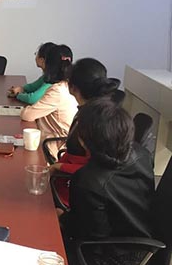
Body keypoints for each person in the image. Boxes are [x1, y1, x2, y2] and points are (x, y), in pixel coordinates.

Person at [61, 98, 154, 265]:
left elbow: (91, 236)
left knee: (55, 253)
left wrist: (62, 218)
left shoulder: (88, 180)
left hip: (120, 261)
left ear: (84, 140)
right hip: (145, 248)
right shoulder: (141, 153)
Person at [50, 58, 123, 208]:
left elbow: (99, 170)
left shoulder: (96, 122)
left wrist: (59, 167)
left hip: (80, 195)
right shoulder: (97, 111)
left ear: (72, 87)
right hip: (76, 181)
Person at [20, 44, 78, 158]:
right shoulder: (68, 86)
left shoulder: (57, 91)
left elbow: (27, 115)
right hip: (61, 141)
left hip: (55, 147)